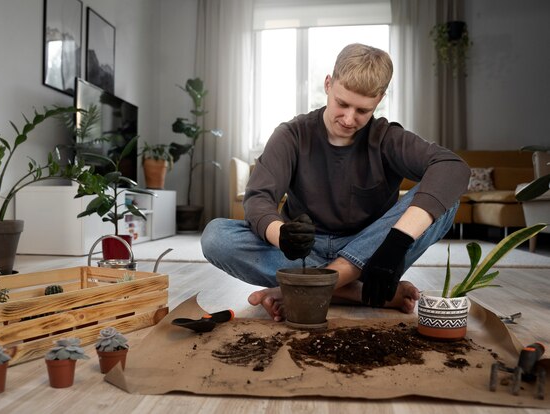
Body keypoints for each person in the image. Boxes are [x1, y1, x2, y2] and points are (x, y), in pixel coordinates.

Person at [201, 43, 470, 321]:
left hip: (371, 255)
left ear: (379, 100)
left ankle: (309, 285)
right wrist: (281, 234)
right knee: (216, 237)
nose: (349, 119)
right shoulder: (291, 135)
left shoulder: (387, 138)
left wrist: (394, 245)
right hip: (303, 254)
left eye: (362, 110)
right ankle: (358, 291)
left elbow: (453, 168)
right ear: (328, 84)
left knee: (446, 199)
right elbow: (258, 199)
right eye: (342, 103)